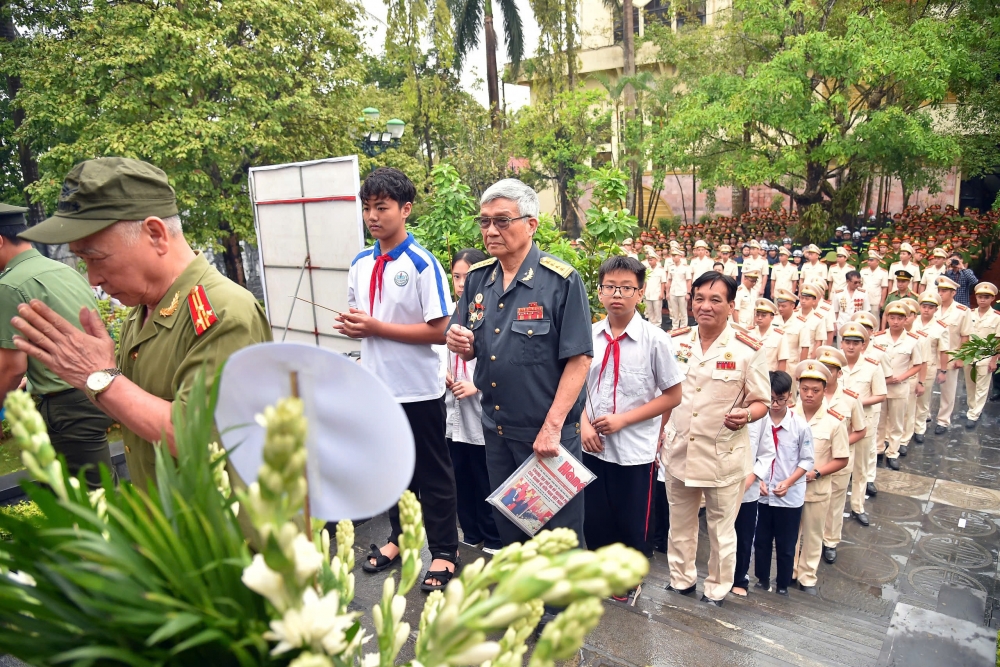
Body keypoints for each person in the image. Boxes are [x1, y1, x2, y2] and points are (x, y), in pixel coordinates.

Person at [12, 157, 271, 497]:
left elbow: (198, 437)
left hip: (222, 525)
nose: (93, 279)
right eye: (83, 261)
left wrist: (100, 377)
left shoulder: (223, 311)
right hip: (168, 519)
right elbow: (133, 410)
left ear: (155, 234)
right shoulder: (145, 310)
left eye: (96, 258)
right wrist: (85, 376)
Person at [446, 178, 593, 551]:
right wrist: (462, 344)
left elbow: (579, 359)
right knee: (513, 527)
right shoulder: (478, 280)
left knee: (559, 538)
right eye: (484, 221)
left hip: (546, 435)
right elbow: (470, 344)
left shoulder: (560, 281)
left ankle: (560, 593)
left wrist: (552, 429)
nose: (491, 230)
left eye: (502, 220)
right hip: (498, 432)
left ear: (531, 224)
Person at [340, 168, 458, 591]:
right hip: (378, 387)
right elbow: (362, 318)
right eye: (367, 208)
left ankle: (444, 552)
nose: (373, 216)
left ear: (405, 209)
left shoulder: (422, 264)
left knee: (433, 472)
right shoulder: (360, 263)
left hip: (418, 388)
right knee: (392, 471)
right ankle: (400, 539)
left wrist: (376, 328)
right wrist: (356, 327)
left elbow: (441, 330)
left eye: (382, 207)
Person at [662, 271, 770, 607]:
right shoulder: (675, 341)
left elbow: (762, 401)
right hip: (679, 449)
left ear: (731, 306)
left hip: (723, 454)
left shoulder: (747, 349)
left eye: (715, 300)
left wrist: (747, 415)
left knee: (721, 530)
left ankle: (717, 589)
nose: (705, 306)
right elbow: (665, 394)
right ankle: (681, 580)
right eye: (699, 299)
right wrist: (658, 437)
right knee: (679, 524)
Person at [581, 256, 684, 603]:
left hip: (634, 448)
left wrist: (623, 420)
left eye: (626, 288)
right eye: (610, 287)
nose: (617, 295)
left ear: (640, 293)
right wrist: (583, 424)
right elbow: (574, 385)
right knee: (595, 515)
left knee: (631, 517)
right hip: (592, 444)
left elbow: (673, 395)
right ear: (599, 291)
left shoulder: (655, 340)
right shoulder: (588, 336)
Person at [0, 203, 114, 488]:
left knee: (87, 501)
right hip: (102, 390)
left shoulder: (9, 286)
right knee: (99, 489)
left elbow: (12, 367)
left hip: (67, 408)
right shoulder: (64, 271)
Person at [444, 248, 502, 554]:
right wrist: (443, 374)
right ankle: (470, 531)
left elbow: (502, 362)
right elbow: (437, 354)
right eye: (456, 277)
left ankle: (493, 538)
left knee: (485, 478)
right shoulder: (451, 313)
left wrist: (475, 386)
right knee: (460, 476)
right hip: (453, 412)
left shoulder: (492, 312)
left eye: (467, 277)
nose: (461, 284)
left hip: (482, 414)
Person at [790, 360, 849, 595]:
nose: (809, 395)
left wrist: (816, 473)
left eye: (815, 390)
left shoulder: (834, 422)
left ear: (825, 391)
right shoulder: (788, 415)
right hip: (789, 488)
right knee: (789, 534)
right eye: (805, 389)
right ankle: (789, 571)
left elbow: (841, 459)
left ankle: (807, 576)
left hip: (816, 489)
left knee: (814, 536)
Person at [753, 370, 812, 596]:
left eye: (781, 399)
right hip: (762, 493)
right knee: (761, 541)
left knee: (787, 545)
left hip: (788, 496)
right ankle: (762, 579)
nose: (776, 405)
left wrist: (788, 482)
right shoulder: (758, 423)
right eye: (771, 399)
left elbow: (807, 460)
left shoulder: (800, 426)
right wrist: (757, 479)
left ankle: (783, 585)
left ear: (789, 396)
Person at [814, 346, 867, 564]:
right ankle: (810, 540)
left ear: (839, 373)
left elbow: (860, 430)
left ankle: (830, 541)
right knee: (811, 503)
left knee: (835, 504)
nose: (827, 373)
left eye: (831, 369)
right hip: (814, 460)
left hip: (840, 461)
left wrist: (840, 446)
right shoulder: (809, 395)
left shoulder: (850, 399)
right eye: (823, 368)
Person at [838, 322, 886, 527]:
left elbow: (881, 395)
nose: (851, 346)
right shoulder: (834, 365)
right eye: (847, 342)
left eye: (855, 343)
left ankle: (858, 506)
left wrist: (856, 403)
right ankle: (836, 508)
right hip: (839, 422)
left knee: (860, 467)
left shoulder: (872, 366)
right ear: (841, 343)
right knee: (839, 467)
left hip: (864, 422)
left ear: (863, 345)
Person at [872, 302, 925, 470]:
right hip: (880, 386)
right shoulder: (877, 338)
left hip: (900, 386)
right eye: (892, 317)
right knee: (879, 421)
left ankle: (893, 452)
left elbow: (918, 364)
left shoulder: (913, 340)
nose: (895, 322)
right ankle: (878, 449)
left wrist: (902, 377)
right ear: (887, 318)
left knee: (897, 422)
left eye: (900, 318)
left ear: (905, 320)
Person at [732, 397, 776, 597]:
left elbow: (767, 453)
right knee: (720, 533)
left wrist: (752, 477)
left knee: (744, 535)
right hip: (720, 481)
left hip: (747, 488)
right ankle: (719, 576)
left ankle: (739, 579)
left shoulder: (760, 414)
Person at [959, 282, 1000, 429]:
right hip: (970, 354)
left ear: (992, 299)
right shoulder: (969, 314)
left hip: (986, 355)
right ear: (976, 297)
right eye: (980, 297)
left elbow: (998, 340)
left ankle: (974, 414)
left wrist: (994, 360)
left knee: (982, 387)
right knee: (970, 385)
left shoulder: (996, 317)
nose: (982, 299)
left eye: (986, 297)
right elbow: (964, 334)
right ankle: (973, 408)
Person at [912, 292, 950, 444]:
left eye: (930, 307)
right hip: (910, 366)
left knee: (923, 400)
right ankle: (907, 428)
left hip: (929, 367)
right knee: (908, 399)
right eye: (924, 306)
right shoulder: (911, 321)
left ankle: (919, 429)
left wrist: (943, 371)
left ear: (936, 309)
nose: (926, 310)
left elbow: (944, 351)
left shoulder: (940, 327)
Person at [934, 276, 970, 433]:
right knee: (925, 388)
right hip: (930, 354)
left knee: (948, 391)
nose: (940, 293)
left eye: (944, 291)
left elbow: (965, 336)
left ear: (953, 293)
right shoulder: (932, 307)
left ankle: (943, 420)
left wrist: (961, 357)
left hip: (950, 354)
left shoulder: (962, 311)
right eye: (939, 290)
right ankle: (924, 417)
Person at [774, 289, 812, 369]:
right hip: (774, 364)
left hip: (791, 365)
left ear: (792, 306)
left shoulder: (801, 323)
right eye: (779, 305)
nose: (780, 308)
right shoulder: (773, 320)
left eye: (783, 306)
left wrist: (801, 369)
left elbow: (805, 347)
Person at [752, 298, 789, 372]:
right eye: (757, 315)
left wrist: (779, 378)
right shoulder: (749, 333)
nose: (759, 318)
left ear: (772, 318)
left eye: (763, 315)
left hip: (770, 375)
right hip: (752, 374)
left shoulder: (779, 336)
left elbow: (782, 360)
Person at [665, 248, 692, 330]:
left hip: (682, 292)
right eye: (672, 256)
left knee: (683, 311)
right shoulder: (670, 267)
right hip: (673, 291)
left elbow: (688, 281)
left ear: (680, 256)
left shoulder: (685, 268)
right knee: (674, 312)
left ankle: (683, 327)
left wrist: (688, 293)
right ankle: (675, 327)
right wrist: (667, 292)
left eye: (675, 256)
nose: (673, 258)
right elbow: (669, 280)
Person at [860, 250, 889, 320]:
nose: (869, 262)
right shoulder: (863, 271)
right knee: (863, 318)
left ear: (877, 262)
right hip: (864, 298)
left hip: (875, 300)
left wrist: (882, 302)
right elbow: (860, 285)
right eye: (868, 260)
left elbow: (884, 288)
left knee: (875, 319)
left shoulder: (883, 272)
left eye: (871, 260)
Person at [643, 251, 667, 329]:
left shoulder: (661, 270)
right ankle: (651, 325)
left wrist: (662, 293)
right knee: (650, 311)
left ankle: (658, 325)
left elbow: (663, 282)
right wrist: (643, 292)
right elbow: (645, 282)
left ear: (656, 260)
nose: (650, 262)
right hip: (648, 293)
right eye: (649, 260)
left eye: (651, 260)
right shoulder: (647, 270)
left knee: (657, 311)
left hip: (657, 294)